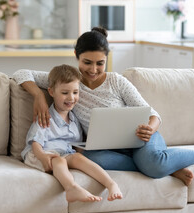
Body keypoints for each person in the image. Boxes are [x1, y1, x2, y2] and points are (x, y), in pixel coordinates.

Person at [14, 27, 194, 186]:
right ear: (76, 57)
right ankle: (168, 167)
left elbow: (153, 114)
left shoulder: (117, 81)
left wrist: (151, 128)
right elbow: (20, 73)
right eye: (87, 63)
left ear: (107, 60)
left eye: (99, 63)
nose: (93, 70)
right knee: (92, 160)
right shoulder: (69, 82)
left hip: (140, 138)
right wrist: (39, 96)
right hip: (107, 148)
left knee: (153, 162)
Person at [21, 64, 122, 202]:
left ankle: (111, 184)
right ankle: (71, 188)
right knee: (59, 160)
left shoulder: (74, 119)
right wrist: (43, 156)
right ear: (51, 92)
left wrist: (80, 158)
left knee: (77, 158)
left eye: (75, 92)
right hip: (39, 153)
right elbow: (35, 143)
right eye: (65, 93)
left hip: (63, 153)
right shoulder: (45, 117)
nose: (71, 98)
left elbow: (77, 146)